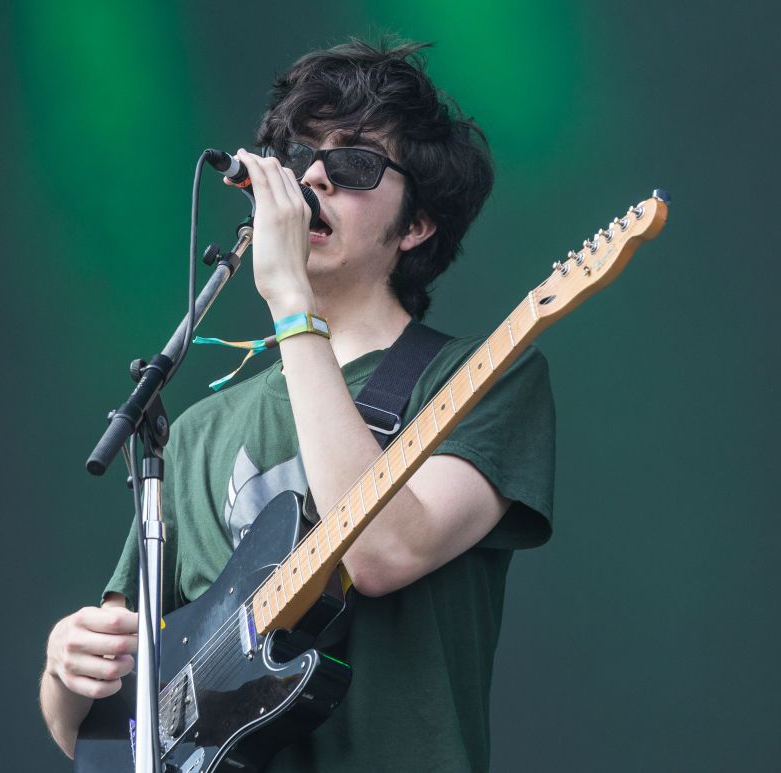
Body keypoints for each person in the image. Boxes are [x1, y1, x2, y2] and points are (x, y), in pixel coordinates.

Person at [40, 38, 555, 771]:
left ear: (415, 224)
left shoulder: (481, 375)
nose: (312, 175)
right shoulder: (195, 430)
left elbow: (381, 551)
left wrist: (292, 302)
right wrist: (65, 670)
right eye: (299, 155)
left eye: (352, 164)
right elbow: (103, 735)